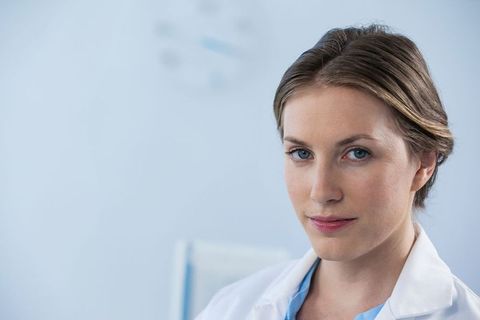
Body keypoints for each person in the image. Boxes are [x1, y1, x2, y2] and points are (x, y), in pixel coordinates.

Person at [195, 24, 480, 320]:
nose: (321, 191)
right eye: (301, 153)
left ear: (423, 163)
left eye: (357, 154)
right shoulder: (232, 307)